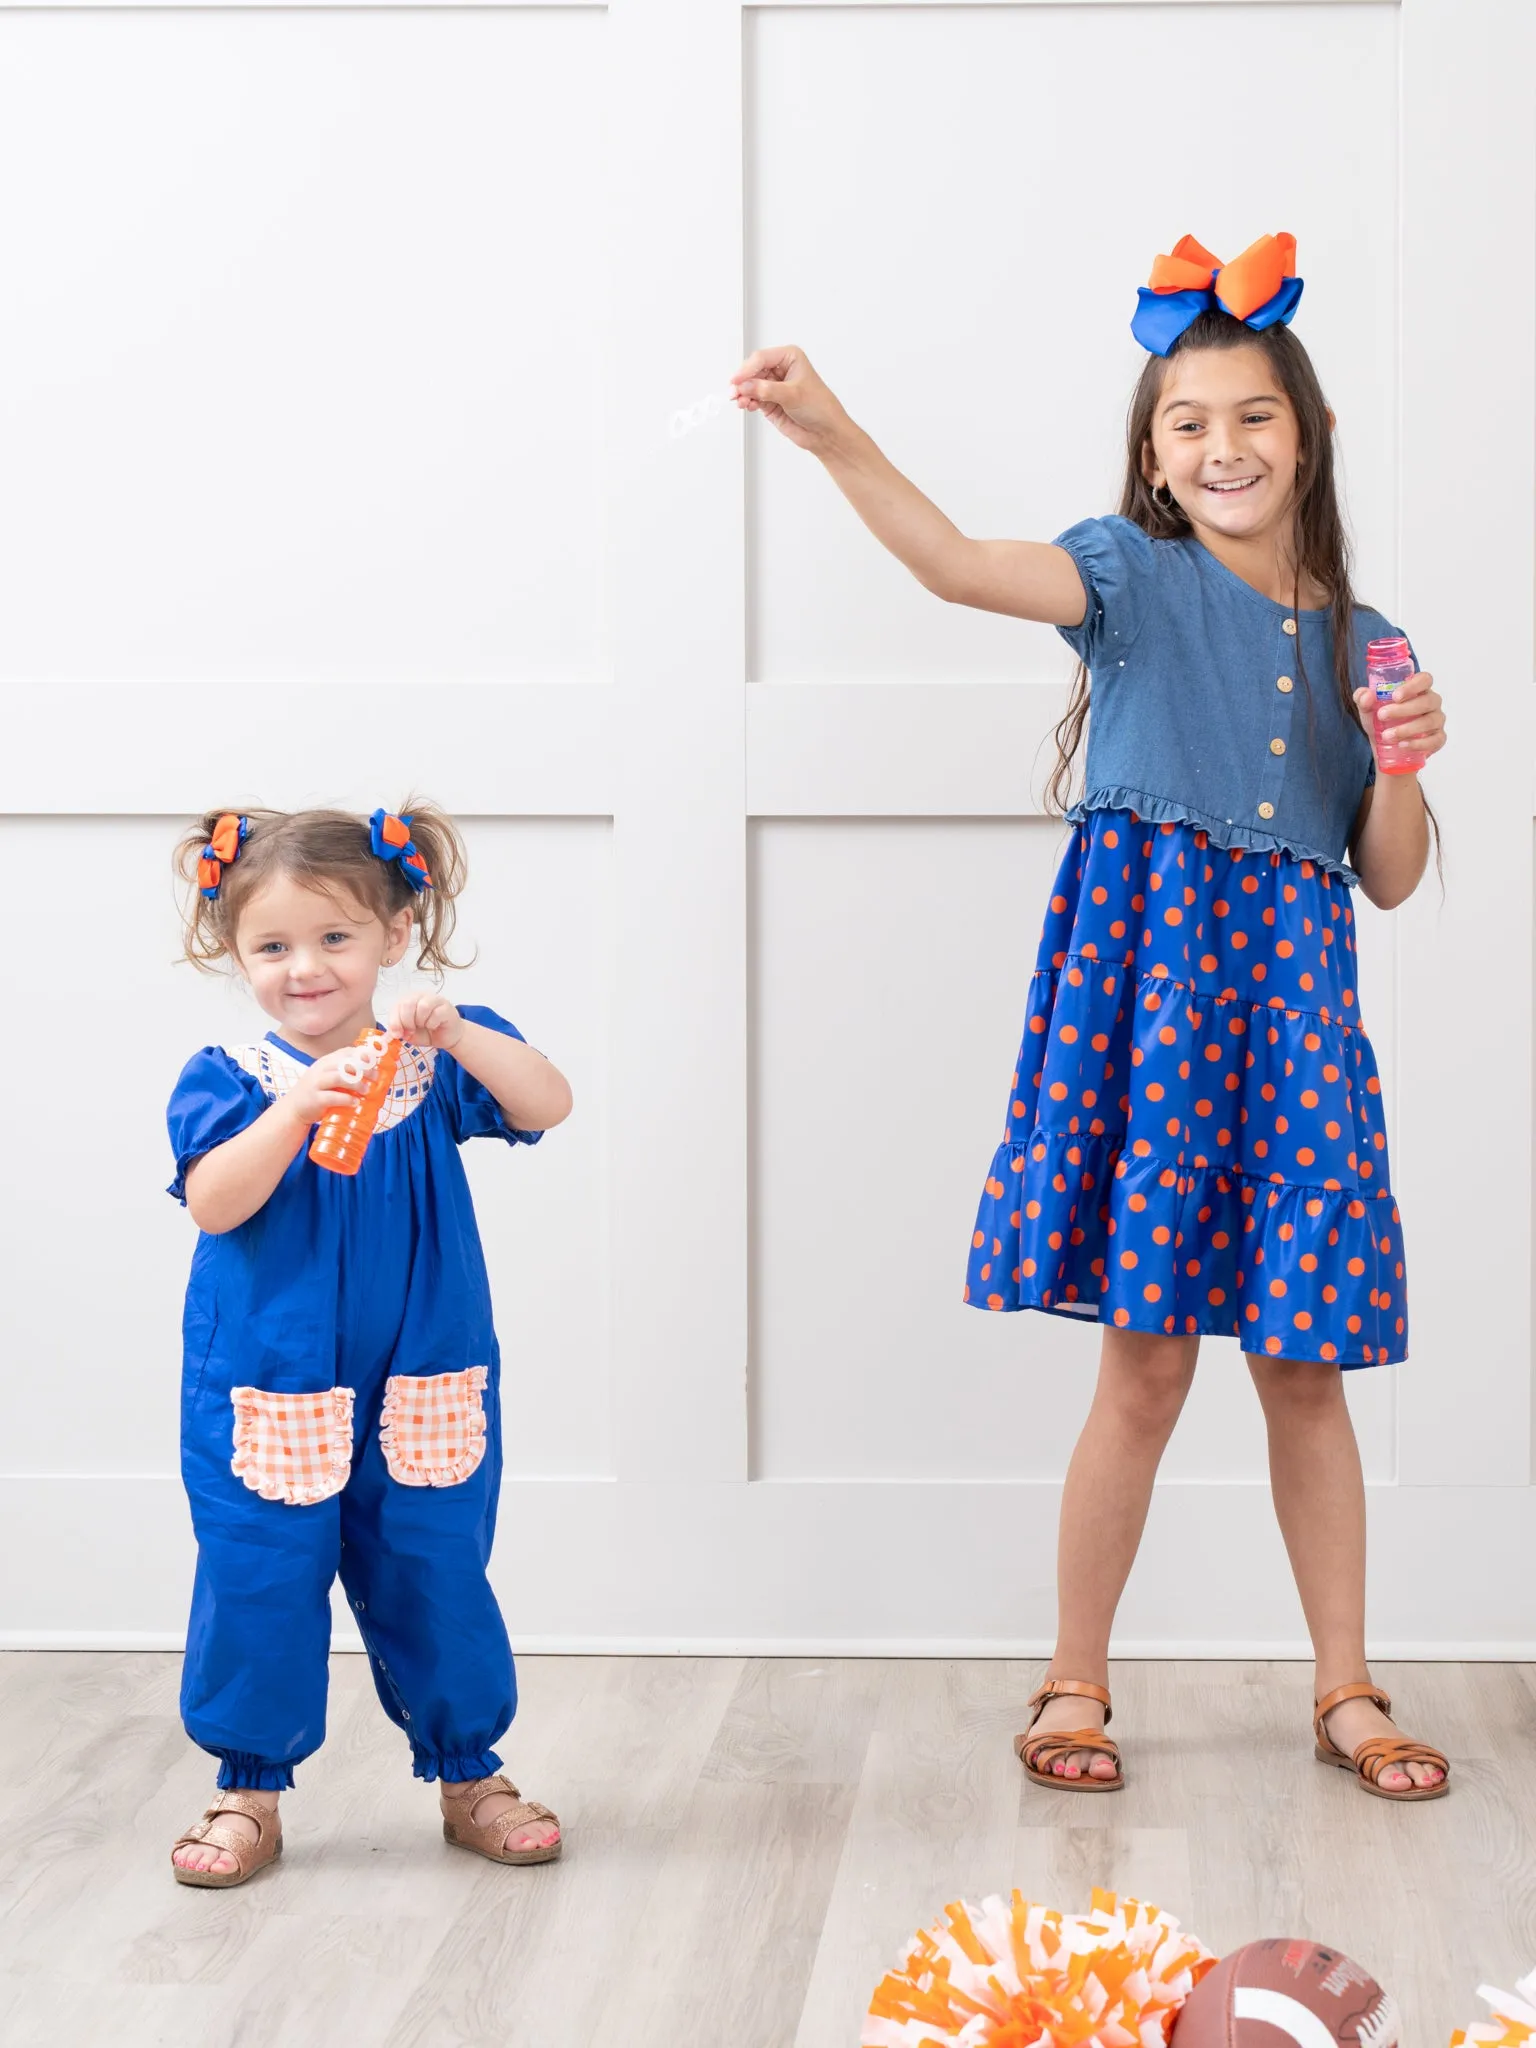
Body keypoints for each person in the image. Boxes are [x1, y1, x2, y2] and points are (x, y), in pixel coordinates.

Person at [731, 233, 1450, 1802]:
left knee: (1306, 1370)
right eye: (1187, 423)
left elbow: (1385, 877)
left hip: (1297, 1033)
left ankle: (1346, 1686)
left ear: (1305, 437)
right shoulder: (1129, 582)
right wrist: (836, 430)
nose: (1223, 447)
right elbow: (956, 563)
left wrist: (1402, 756)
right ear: (1153, 454)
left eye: (1253, 417)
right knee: (1142, 1365)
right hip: (1156, 1010)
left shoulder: (1361, 638)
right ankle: (1075, 1677)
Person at [165, 800, 572, 1884]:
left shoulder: (428, 1067)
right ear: (234, 951)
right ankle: (247, 1786)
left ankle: (469, 1770)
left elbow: (550, 1101)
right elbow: (214, 1202)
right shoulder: (232, 1076)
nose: (306, 967)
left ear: (397, 933)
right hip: (269, 1378)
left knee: (435, 1565)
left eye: (336, 937)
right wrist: (296, 1106)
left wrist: (461, 1031)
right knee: (259, 1574)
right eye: (273, 945)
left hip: (425, 1371)